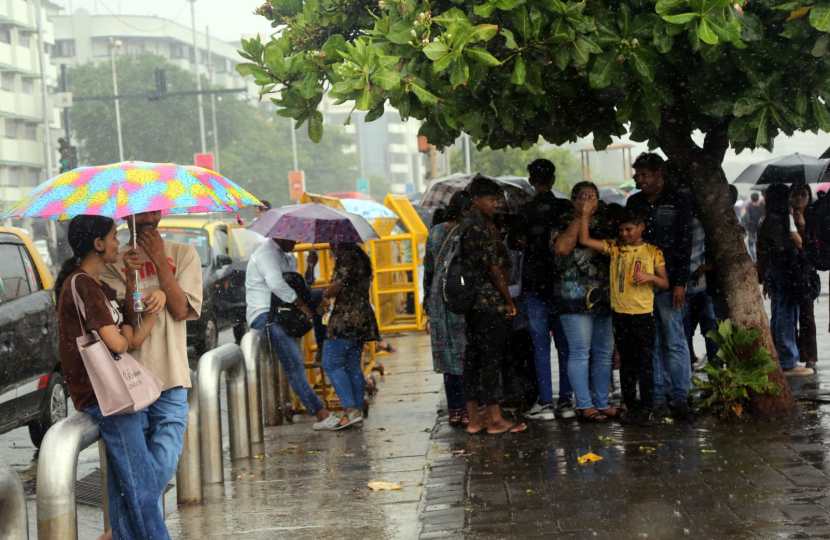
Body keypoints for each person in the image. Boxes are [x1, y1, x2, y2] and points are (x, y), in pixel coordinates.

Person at [57, 215, 169, 540]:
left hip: (115, 394)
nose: (119, 242)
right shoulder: (82, 285)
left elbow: (130, 327)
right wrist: (134, 328)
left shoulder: (100, 286)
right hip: (105, 396)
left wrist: (135, 283)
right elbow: (120, 342)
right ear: (98, 244)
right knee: (142, 487)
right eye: (114, 236)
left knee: (124, 490)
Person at [100, 211, 202, 523]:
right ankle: (137, 528)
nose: (148, 217)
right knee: (131, 469)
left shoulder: (183, 253)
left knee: (165, 460)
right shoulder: (113, 261)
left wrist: (160, 264)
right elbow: (126, 321)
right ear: (127, 214)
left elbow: (182, 308)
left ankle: (125, 526)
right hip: (130, 382)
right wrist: (131, 278)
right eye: (140, 211)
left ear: (160, 212)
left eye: (153, 210)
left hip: (172, 378)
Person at [579, 208, 669, 425]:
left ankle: (647, 407)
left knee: (645, 363)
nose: (625, 234)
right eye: (621, 230)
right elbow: (584, 239)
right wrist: (584, 215)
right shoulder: (615, 249)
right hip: (620, 315)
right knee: (626, 363)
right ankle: (630, 405)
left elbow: (665, 283)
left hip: (643, 315)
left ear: (641, 228)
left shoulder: (653, 252)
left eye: (629, 229)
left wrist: (649, 276)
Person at [627, 153, 693, 418]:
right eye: (637, 175)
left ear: (658, 174)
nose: (639, 180)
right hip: (641, 284)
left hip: (669, 283)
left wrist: (680, 283)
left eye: (644, 175)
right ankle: (656, 396)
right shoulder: (634, 202)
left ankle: (680, 397)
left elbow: (685, 242)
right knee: (650, 341)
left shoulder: (680, 199)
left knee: (674, 339)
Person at [245, 236, 335, 428]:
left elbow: (299, 287)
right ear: (280, 234)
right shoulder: (266, 254)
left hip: (283, 314)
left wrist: (310, 267)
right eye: (293, 238)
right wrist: (302, 306)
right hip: (266, 316)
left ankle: (322, 347)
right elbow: (277, 285)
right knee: (294, 366)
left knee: (321, 297)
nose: (297, 242)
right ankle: (321, 414)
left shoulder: (286, 256)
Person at [462, 175, 527, 434]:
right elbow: (494, 268)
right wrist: (508, 300)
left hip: (471, 304)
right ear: (477, 200)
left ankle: (474, 420)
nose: (496, 204)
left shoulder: (464, 224)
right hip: (488, 302)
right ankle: (495, 419)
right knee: (491, 359)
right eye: (491, 199)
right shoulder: (481, 227)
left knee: (474, 359)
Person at [511, 159, 574, 422]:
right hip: (562, 285)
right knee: (565, 345)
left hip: (535, 285)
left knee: (540, 346)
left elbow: (516, 243)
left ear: (530, 180)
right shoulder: (564, 208)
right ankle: (567, 400)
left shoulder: (523, 212)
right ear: (554, 178)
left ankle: (546, 402)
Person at [551, 182, 616, 422]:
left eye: (593, 196)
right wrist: (581, 217)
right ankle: (584, 404)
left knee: (603, 353)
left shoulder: (607, 221)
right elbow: (562, 248)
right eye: (582, 197)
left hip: (604, 296)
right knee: (580, 352)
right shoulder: (563, 220)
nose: (588, 200)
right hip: (573, 298)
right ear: (573, 200)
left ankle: (601, 402)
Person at [424, 191, 473, 427]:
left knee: (448, 356)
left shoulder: (435, 232)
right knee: (466, 354)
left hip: (438, 297)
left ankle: (455, 409)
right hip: (461, 296)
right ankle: (469, 408)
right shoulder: (469, 231)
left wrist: (427, 302)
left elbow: (429, 269)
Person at [318, 243, 380, 430]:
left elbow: (338, 284)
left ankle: (350, 410)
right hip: (361, 316)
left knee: (331, 362)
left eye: (331, 241)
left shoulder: (346, 256)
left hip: (346, 318)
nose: (329, 245)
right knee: (352, 365)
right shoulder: (360, 256)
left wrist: (325, 294)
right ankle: (357, 410)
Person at [757, 183, 814, 376]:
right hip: (785, 273)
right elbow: (784, 248)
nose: (792, 200)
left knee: (781, 314)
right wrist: (798, 242)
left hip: (777, 273)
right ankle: (788, 361)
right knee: (785, 315)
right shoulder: (778, 220)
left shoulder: (771, 218)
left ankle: (782, 357)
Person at [790, 183, 820, 370]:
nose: (800, 198)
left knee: (807, 316)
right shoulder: (784, 216)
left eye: (804, 194)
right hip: (787, 270)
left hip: (806, 272)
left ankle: (810, 356)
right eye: (796, 194)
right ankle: (793, 354)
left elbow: (810, 245)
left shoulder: (814, 216)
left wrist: (802, 227)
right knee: (787, 316)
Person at [684, 213, 719, 365]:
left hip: (697, 285)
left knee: (690, 329)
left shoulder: (696, 222)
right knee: (708, 328)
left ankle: (694, 364)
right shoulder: (704, 223)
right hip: (696, 285)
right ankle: (715, 368)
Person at [743, 192, 765, 261]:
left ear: (751, 199)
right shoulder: (762, 206)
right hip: (760, 228)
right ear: (758, 198)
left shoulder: (748, 206)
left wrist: (746, 226)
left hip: (751, 228)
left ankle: (754, 259)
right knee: (760, 243)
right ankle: (759, 258)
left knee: (751, 245)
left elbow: (747, 218)